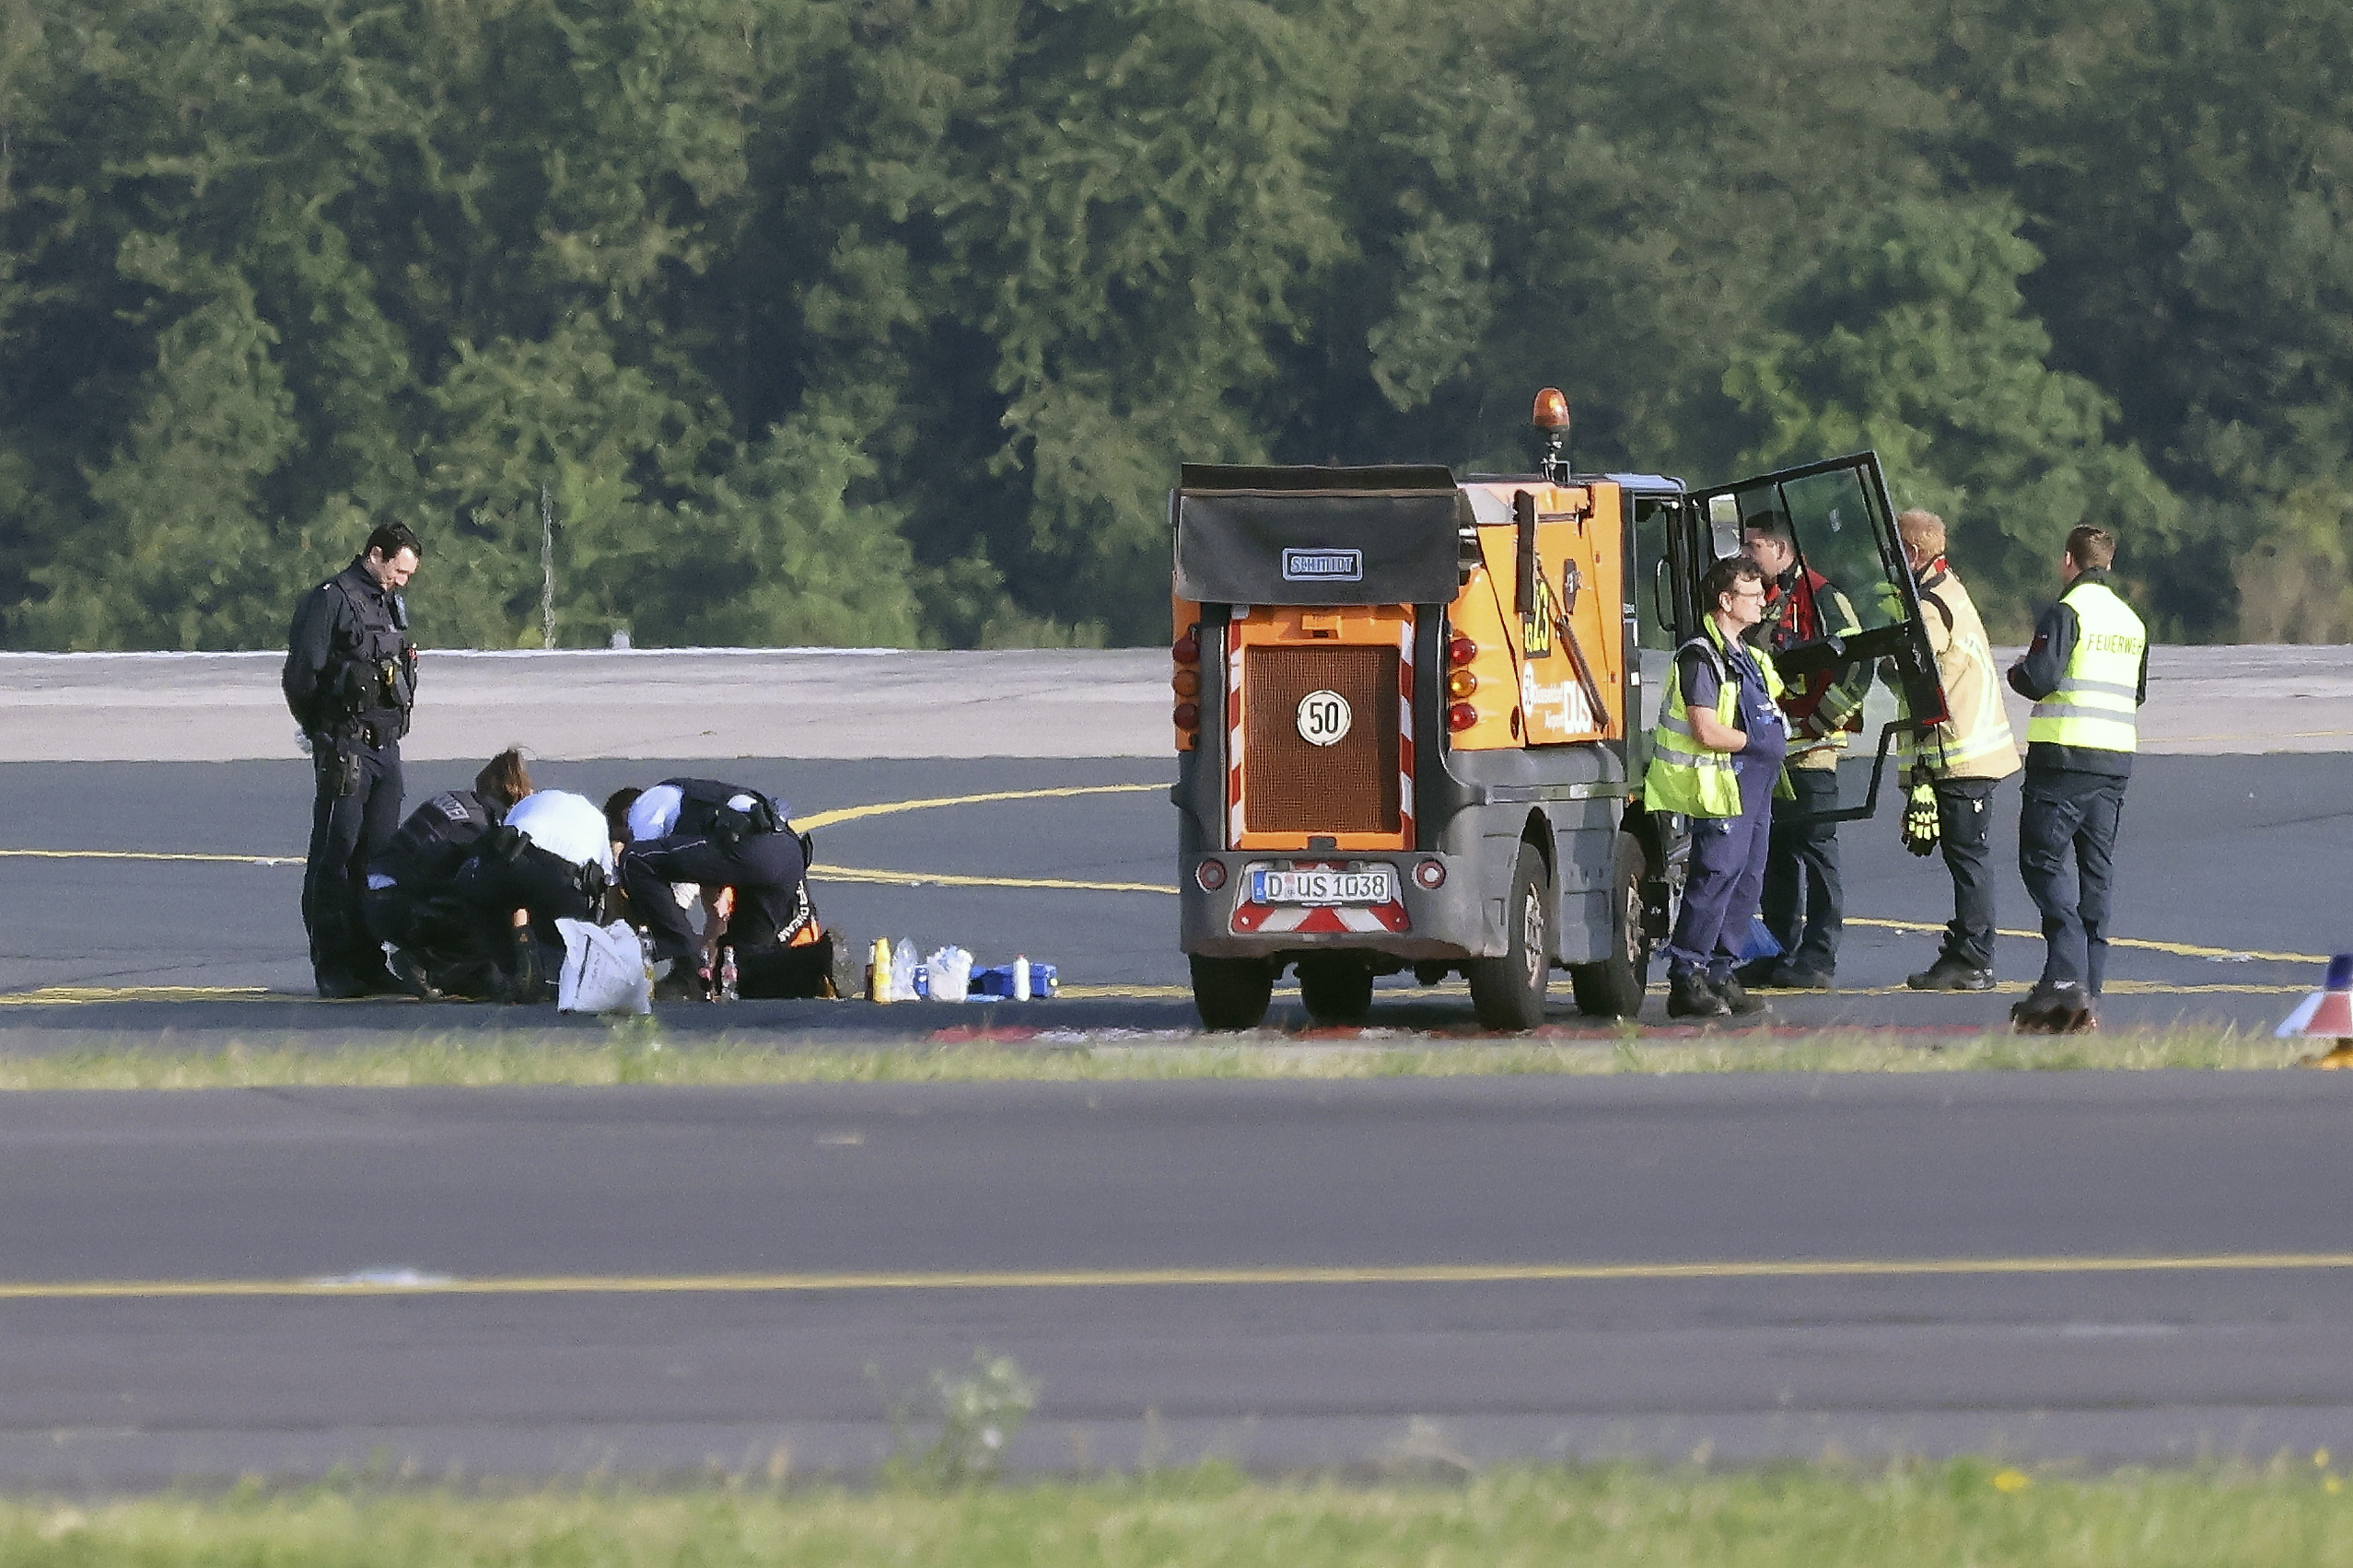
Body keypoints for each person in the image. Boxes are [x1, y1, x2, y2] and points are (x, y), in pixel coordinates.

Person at [2005, 524, 2149, 1033]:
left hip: (2064, 757)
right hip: (2114, 763)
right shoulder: (2132, 621)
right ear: (2107, 563)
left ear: (2070, 559)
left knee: (2041, 860)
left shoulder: (2067, 611)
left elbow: (2040, 678)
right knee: (2096, 874)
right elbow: (2136, 693)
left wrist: (2017, 671)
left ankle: (2066, 974)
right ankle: (2087, 984)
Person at [1644, 554, 1790, 1019]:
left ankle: (1721, 973)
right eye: (1752, 595)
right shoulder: (1700, 656)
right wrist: (1756, 743)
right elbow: (1704, 729)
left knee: (1747, 880)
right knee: (1715, 877)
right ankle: (1687, 976)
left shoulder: (1749, 656)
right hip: (1723, 784)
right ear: (1726, 601)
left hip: (1755, 786)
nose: (1763, 604)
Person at [283, 523, 424, 997]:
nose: (402, 580)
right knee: (335, 859)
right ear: (376, 555)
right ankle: (334, 964)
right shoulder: (331, 600)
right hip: (347, 748)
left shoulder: (386, 603)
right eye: (398, 570)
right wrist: (324, 737)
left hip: (386, 750)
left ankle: (368, 961)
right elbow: (301, 676)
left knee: (377, 860)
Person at [1735, 510, 1867, 991]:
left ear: (1781, 549)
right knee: (1775, 857)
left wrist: (1820, 720)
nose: (1746, 555)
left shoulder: (1824, 597)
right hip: (1771, 755)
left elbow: (1858, 665)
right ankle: (1777, 950)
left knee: (1817, 854)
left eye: (1754, 547)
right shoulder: (1760, 601)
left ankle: (1818, 957)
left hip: (1812, 754)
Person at [1892, 511, 2022, 992]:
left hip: (1961, 757)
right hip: (1968, 754)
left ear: (1912, 553)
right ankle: (1969, 949)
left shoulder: (1930, 605)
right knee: (1966, 856)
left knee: (1968, 858)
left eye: (1894, 550)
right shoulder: (1949, 590)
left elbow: (1918, 676)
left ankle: (1973, 956)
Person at [616, 778, 832, 999]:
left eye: (619, 837)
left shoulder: (643, 807)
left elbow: (650, 870)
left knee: (634, 860)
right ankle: (819, 963)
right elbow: (701, 875)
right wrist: (709, 938)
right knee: (735, 966)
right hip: (787, 851)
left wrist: (680, 942)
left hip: (749, 848)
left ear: (624, 816)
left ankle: (687, 968)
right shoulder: (696, 801)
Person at [362, 749, 534, 999]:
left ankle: (420, 953)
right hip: (402, 905)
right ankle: (435, 964)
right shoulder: (479, 826)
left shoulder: (456, 799)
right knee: (487, 903)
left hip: (376, 896)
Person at [448, 787, 615, 1002]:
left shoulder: (528, 803)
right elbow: (608, 887)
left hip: (512, 863)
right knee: (568, 926)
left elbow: (500, 844)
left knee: (475, 892)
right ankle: (557, 974)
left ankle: (510, 971)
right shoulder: (598, 821)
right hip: (564, 886)